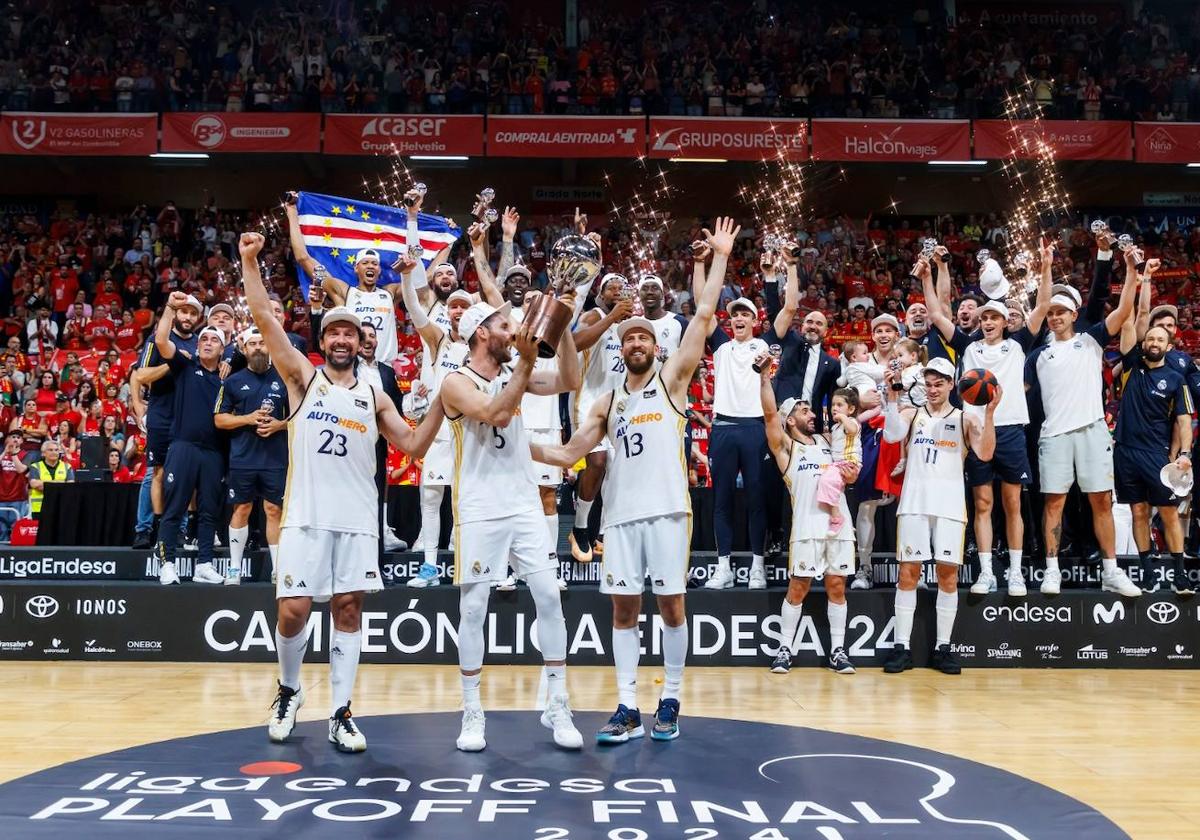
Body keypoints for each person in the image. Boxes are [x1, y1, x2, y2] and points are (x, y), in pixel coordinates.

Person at [531, 216, 739, 744]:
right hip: (620, 518)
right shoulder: (607, 400)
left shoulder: (673, 382)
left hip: (668, 510)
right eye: (629, 339)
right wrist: (518, 447)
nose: (637, 342)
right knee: (623, 610)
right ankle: (627, 705)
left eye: (644, 336)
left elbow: (706, 314)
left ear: (656, 345)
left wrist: (717, 258)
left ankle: (670, 697)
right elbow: (570, 450)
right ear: (621, 350)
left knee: (671, 605)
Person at [239, 232, 446, 754]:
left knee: (349, 612)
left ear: (362, 342)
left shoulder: (375, 395)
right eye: (334, 331)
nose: (341, 340)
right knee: (292, 610)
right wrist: (249, 261)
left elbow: (415, 445)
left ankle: (341, 711)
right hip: (306, 516)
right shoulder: (303, 379)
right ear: (324, 338)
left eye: (350, 334)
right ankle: (289, 689)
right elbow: (265, 318)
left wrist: (446, 399)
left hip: (357, 519)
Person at [439, 294, 582, 753]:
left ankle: (558, 702)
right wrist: (524, 359)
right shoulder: (455, 382)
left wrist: (562, 326)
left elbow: (570, 379)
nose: (514, 332)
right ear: (482, 332)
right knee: (475, 609)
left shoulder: (511, 371)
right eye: (505, 325)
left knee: (549, 599)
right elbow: (498, 412)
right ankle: (471, 711)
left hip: (522, 502)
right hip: (479, 507)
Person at [932, 243, 1050, 596]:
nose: (987, 322)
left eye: (993, 317)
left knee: (1012, 503)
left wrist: (1045, 267)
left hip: (1011, 428)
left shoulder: (1018, 345)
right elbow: (938, 315)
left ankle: (1015, 571)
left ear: (1004, 321)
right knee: (982, 504)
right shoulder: (967, 346)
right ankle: (986, 571)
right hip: (976, 428)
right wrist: (932, 273)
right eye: (983, 317)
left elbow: (1042, 305)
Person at [1034, 246, 1142, 597]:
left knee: (1101, 502)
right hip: (1054, 436)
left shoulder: (1091, 339)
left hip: (1094, 430)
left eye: (1061, 312)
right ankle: (1051, 571)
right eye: (1051, 312)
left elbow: (1125, 308)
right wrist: (1046, 269)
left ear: (1074, 313)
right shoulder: (1038, 354)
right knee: (1054, 504)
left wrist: (1129, 270)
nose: (1055, 317)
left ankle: (1111, 570)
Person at [882, 357, 998, 675]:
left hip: (949, 506)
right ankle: (901, 647)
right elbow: (891, 435)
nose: (932, 389)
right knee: (908, 574)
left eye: (939, 383)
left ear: (951, 384)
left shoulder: (965, 418)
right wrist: (893, 397)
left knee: (947, 576)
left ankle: (942, 648)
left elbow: (985, 454)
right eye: (928, 384)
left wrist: (989, 412)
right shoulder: (911, 412)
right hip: (914, 504)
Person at [760, 380, 860, 675]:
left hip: (839, 526)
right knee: (798, 588)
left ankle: (838, 651)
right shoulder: (786, 448)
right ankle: (784, 649)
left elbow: (851, 469)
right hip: (806, 527)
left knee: (837, 587)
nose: (812, 414)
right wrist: (764, 378)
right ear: (790, 419)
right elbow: (768, 415)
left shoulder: (830, 442)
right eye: (804, 411)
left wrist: (852, 474)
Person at [1116, 264, 1194, 594]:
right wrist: (1144, 278)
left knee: (1167, 512)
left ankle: (1178, 574)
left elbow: (1184, 421)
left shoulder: (1177, 379)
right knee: (1137, 511)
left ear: (1168, 343)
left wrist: (1184, 454)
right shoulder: (1131, 365)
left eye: (1159, 338)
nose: (1153, 341)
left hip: (1156, 454)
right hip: (1125, 452)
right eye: (1149, 337)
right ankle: (1147, 571)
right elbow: (1143, 310)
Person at [397, 252, 471, 586]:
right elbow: (414, 311)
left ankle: (462, 561)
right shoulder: (439, 342)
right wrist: (405, 277)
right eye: (453, 306)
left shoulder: (484, 346)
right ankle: (428, 567)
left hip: (471, 434)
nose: (457, 311)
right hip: (440, 431)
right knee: (431, 497)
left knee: (464, 502)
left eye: (464, 306)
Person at [151, 293, 229, 587]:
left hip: (213, 452)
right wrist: (170, 308)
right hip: (182, 446)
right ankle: (167, 563)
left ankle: (204, 565)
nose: (207, 343)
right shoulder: (184, 366)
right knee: (175, 508)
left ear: (223, 348)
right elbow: (161, 342)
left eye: (214, 340)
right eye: (204, 339)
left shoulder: (227, 378)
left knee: (209, 511)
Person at [214, 327, 289, 585]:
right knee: (242, 508)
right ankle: (234, 569)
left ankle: (278, 569)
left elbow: (300, 415)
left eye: (261, 343)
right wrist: (247, 418)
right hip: (243, 458)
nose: (258, 347)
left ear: (269, 347)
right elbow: (219, 419)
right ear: (244, 350)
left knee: (273, 510)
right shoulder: (232, 381)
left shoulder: (284, 378)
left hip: (276, 458)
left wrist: (279, 425)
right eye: (252, 344)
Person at [705, 295, 770, 589]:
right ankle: (723, 568)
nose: (739, 318)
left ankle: (758, 566)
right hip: (723, 427)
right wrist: (702, 265)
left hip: (755, 426)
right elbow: (702, 305)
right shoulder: (721, 345)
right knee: (722, 500)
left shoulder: (764, 345)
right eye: (735, 315)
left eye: (745, 314)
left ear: (755, 321)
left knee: (757, 499)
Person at [569, 273, 635, 562]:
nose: (617, 291)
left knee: (617, 472)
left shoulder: (630, 327)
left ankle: (605, 535)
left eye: (622, 288)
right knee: (597, 462)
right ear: (601, 293)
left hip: (620, 405)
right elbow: (575, 342)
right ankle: (580, 526)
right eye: (611, 287)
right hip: (588, 401)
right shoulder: (593, 315)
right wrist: (611, 319)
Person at [132, 294, 200, 549]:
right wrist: (173, 364)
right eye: (183, 312)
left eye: (193, 314)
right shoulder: (157, 340)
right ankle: (148, 529)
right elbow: (141, 375)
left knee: (185, 475)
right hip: (161, 414)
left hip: (188, 417)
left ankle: (179, 530)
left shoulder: (200, 343)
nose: (188, 317)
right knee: (156, 473)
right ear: (175, 314)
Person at [28, 439, 73, 518]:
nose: (54, 452)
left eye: (56, 450)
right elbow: (34, 484)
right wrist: (61, 483)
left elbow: (70, 487)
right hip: (39, 509)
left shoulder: (67, 466)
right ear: (43, 453)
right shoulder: (35, 466)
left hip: (60, 508)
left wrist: (44, 484)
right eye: (50, 450)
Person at [0, 431, 29, 539]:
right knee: (1, 530)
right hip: (1, 497)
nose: (16, 439)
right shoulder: (1, 453)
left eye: (18, 437)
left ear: (22, 441)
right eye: (13, 437)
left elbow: (21, 469)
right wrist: (4, 453)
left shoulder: (26, 454)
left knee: (15, 530)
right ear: (7, 439)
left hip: (18, 498)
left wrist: (13, 454)